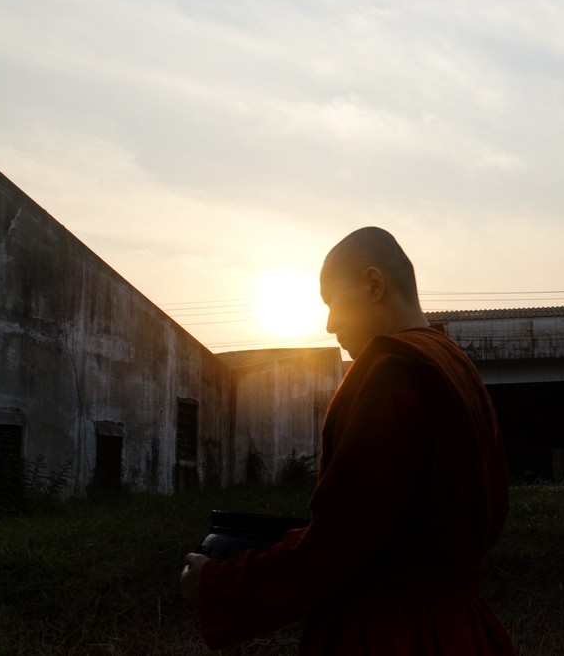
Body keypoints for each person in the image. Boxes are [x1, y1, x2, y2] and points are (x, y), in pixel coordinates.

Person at [180, 227, 514, 654]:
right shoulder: (454, 365)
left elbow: (343, 542)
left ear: (373, 285)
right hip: (462, 629)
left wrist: (218, 583)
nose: (330, 324)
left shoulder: (394, 369)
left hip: (396, 632)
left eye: (332, 303)